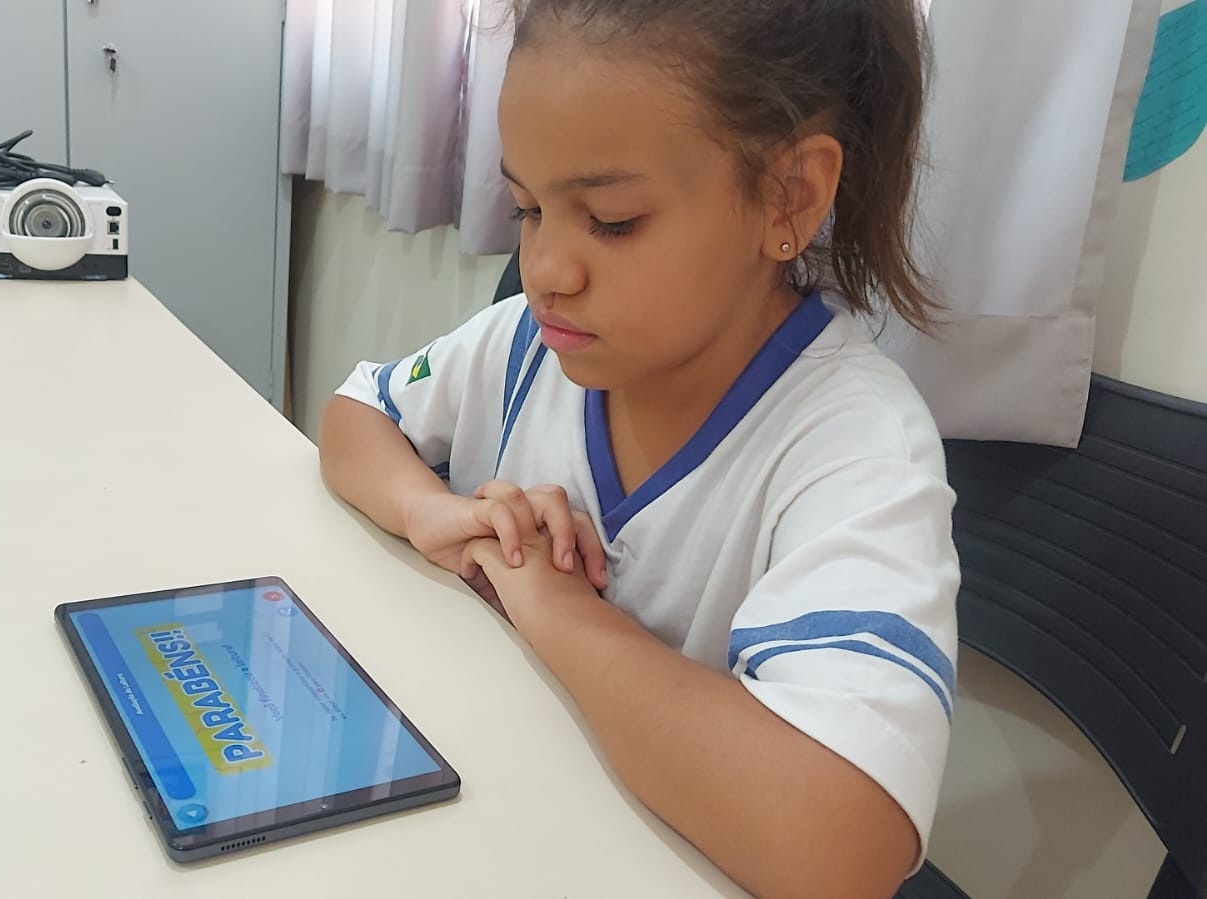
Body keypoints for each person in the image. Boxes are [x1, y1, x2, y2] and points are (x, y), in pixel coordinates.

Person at [317, 2, 958, 897]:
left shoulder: (853, 444)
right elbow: (354, 416)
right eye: (528, 208)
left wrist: (546, 598)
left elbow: (840, 845)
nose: (545, 269)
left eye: (612, 221)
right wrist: (435, 510)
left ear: (789, 196)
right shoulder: (526, 345)